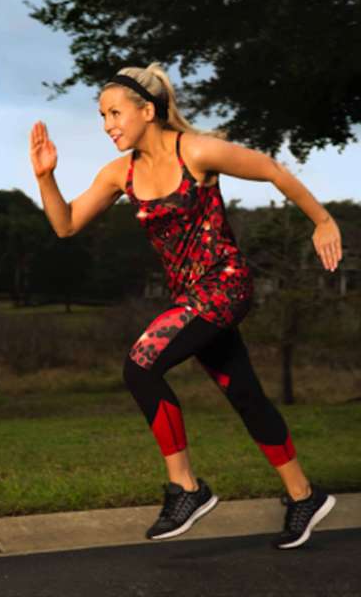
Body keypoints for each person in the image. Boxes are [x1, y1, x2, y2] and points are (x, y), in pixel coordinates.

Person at [28, 62, 340, 549]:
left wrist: (322, 221)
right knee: (245, 395)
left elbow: (273, 170)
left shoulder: (195, 151)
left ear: (146, 110)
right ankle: (304, 496)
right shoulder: (119, 174)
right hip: (189, 299)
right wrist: (46, 177)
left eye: (114, 113)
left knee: (140, 367)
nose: (107, 125)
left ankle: (186, 488)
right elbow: (65, 225)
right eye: (101, 117)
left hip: (225, 286)